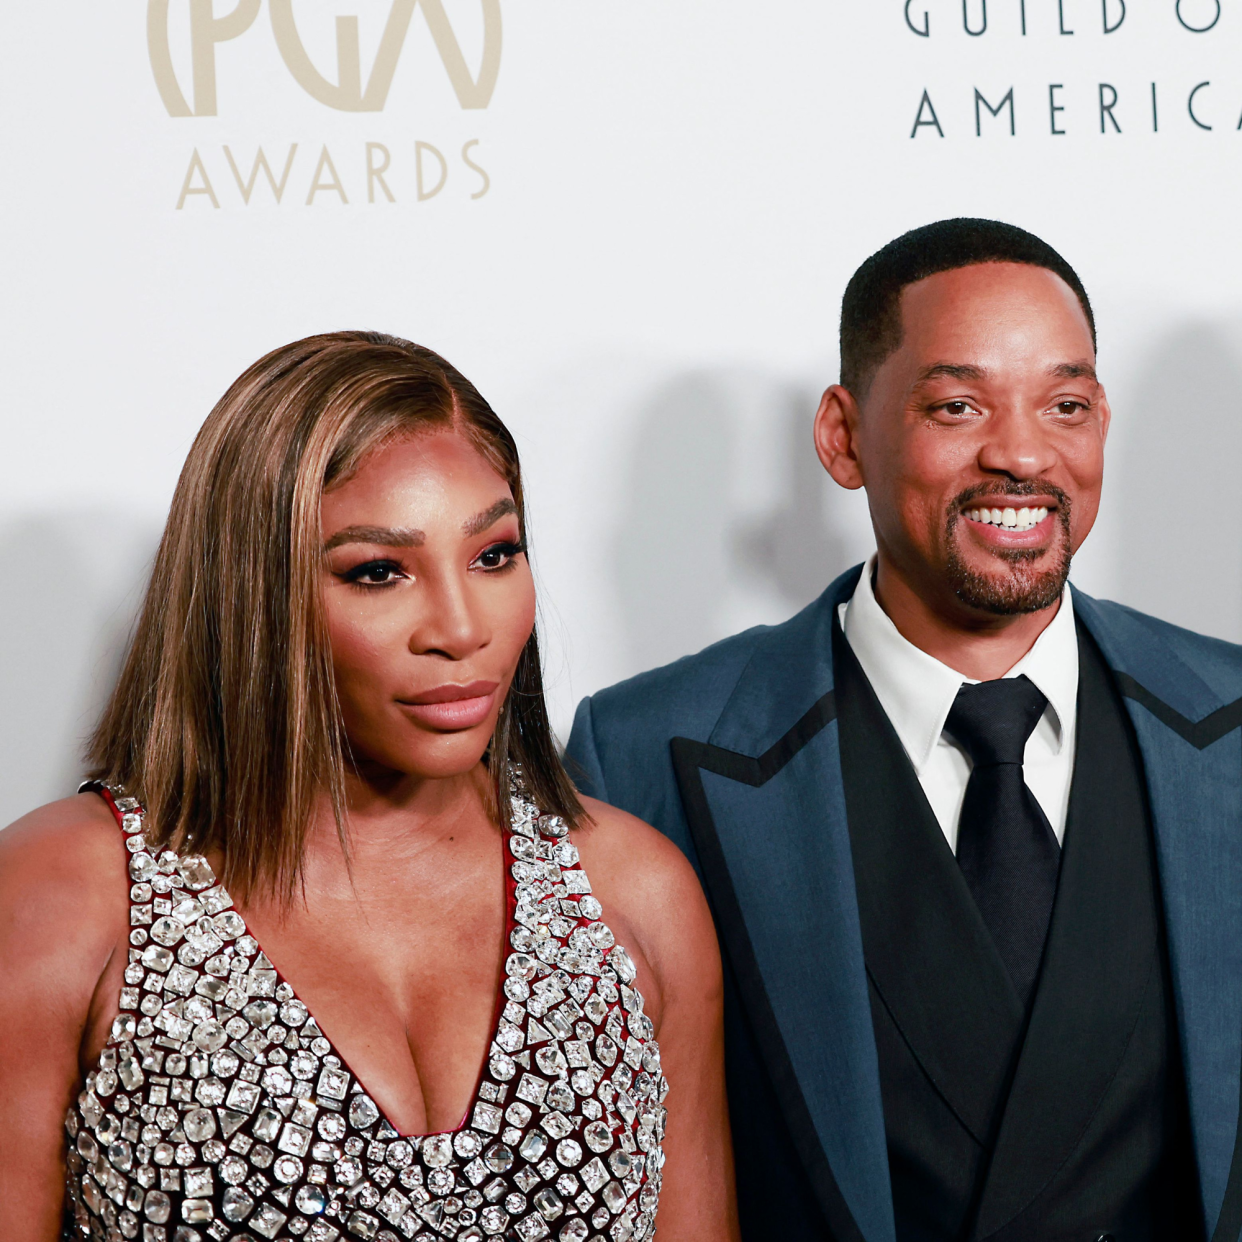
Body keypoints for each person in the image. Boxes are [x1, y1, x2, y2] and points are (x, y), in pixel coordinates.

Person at [566, 219, 1242, 1241]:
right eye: (957, 405)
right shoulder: (649, 755)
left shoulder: (1230, 725)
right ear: (843, 436)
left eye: (1065, 405)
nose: (1021, 452)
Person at [0, 332, 739, 1242]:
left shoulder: (634, 891)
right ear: (253, 593)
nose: (461, 627)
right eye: (378, 572)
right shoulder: (64, 895)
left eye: (494, 554)